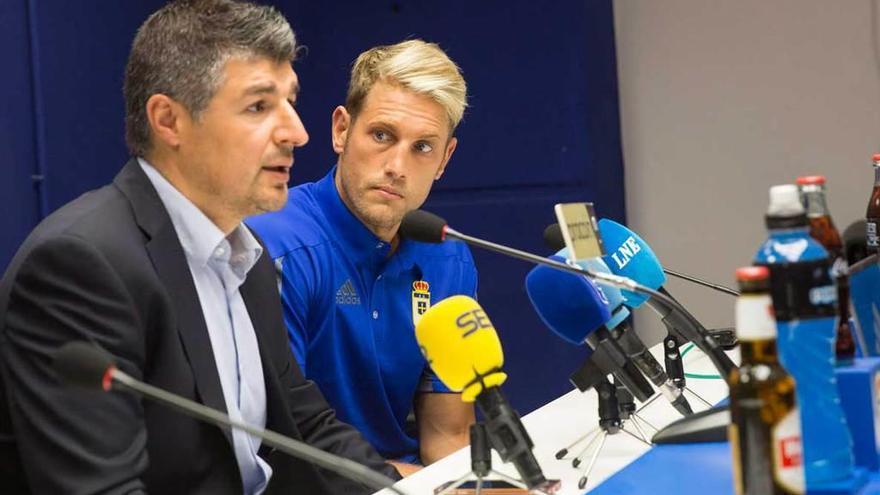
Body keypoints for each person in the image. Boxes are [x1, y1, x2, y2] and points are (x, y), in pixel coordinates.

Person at [0, 1, 399, 493]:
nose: (297, 132)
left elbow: (308, 429)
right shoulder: (82, 265)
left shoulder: (244, 255)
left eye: (290, 101)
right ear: (169, 121)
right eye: (258, 106)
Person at [247, 39, 477, 475]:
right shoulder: (277, 245)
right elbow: (281, 447)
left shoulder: (449, 259)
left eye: (423, 147)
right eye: (382, 135)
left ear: (445, 158)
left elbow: (449, 438)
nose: (397, 166)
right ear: (341, 130)